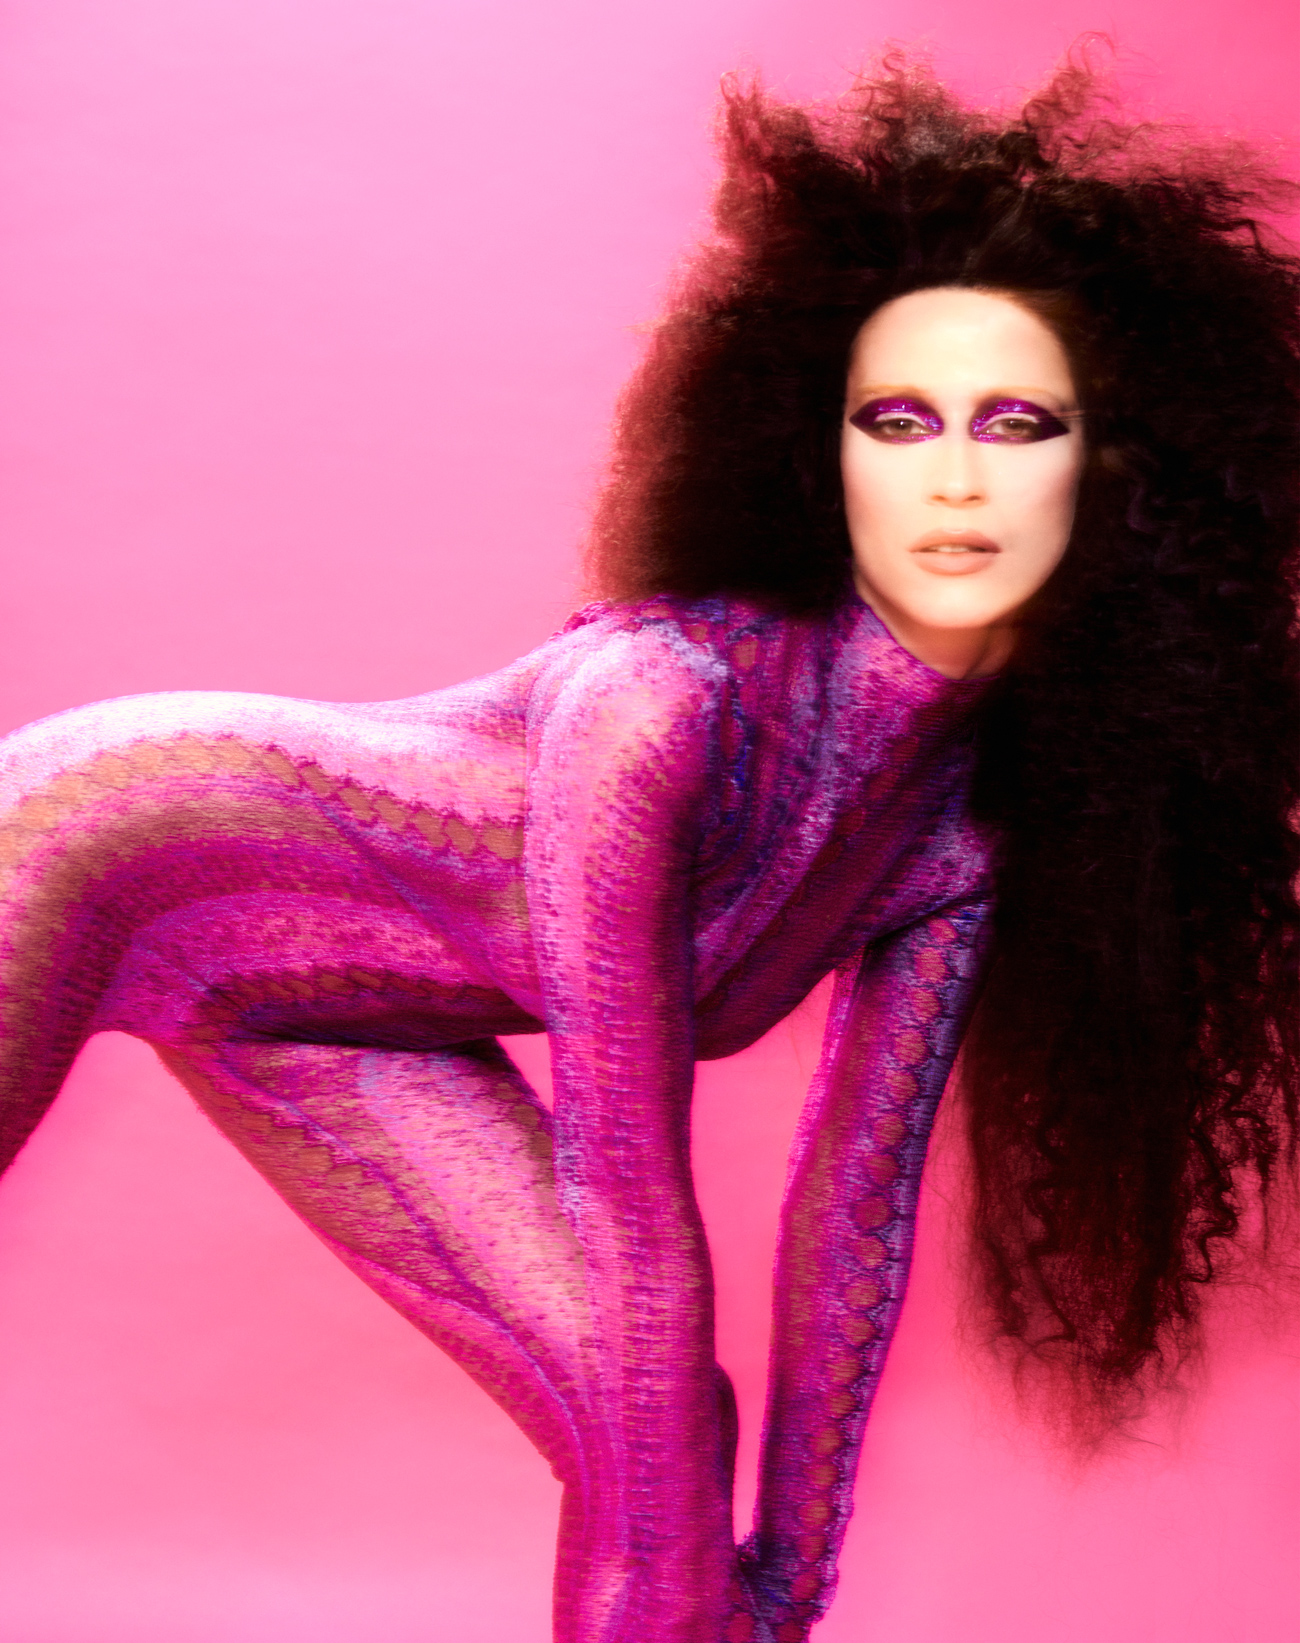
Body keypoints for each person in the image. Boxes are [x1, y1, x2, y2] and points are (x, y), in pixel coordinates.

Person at [0, 52, 1296, 1643]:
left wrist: (788, 1588)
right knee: (660, 1427)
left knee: (665, 1430)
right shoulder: (662, 703)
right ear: (818, 451)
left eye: (1017, 424)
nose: (955, 478)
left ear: (1113, 475)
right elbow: (626, 1187)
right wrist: (708, 1567)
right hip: (95, 839)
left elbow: (852, 1226)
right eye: (897, 421)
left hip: (330, 1015)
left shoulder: (957, 837)